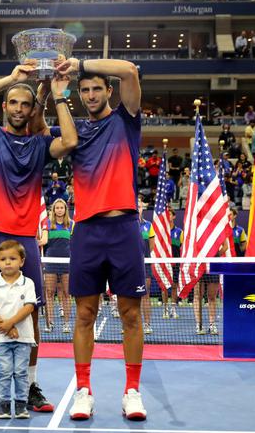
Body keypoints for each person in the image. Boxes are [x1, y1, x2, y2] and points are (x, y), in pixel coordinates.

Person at [0, 62, 76, 418]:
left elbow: (69, 141)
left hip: (24, 240)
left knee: (31, 316)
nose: (20, 109)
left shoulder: (40, 145)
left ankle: (30, 385)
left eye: (25, 104)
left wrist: (57, 95)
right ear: (5, 107)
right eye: (13, 103)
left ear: (31, 109)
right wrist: (13, 80)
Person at [51, 57, 147, 420]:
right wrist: (56, 92)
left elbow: (130, 71)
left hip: (123, 229)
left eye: (97, 89)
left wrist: (79, 63)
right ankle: (84, 391)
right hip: (87, 231)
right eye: (85, 90)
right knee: (84, 314)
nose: (91, 95)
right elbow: (43, 133)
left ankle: (132, 392)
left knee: (130, 314)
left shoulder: (126, 119)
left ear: (109, 91)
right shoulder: (73, 129)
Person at [0, 240, 36, 419]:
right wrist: (3, 325)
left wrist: (9, 324)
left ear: (21, 261)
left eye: (12, 258)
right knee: (4, 371)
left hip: (24, 338)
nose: (7, 262)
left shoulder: (28, 283)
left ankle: (21, 405)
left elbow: (29, 307)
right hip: (1, 339)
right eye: (3, 259)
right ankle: (3, 406)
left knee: (21, 372)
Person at [39, 198, 74, 334]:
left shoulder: (71, 224)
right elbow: (43, 241)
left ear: (65, 209)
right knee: (49, 293)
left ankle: (66, 324)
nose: (59, 210)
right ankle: (50, 323)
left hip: (66, 263)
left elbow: (76, 244)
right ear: (53, 210)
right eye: (57, 208)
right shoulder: (47, 224)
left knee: (66, 294)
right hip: (51, 262)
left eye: (62, 208)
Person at [139, 203, 155, 335]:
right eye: (135, 206)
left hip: (145, 264)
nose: (137, 208)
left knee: (145, 294)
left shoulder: (148, 225)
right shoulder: (127, 225)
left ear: (142, 208)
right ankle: (132, 324)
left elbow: (151, 245)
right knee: (129, 296)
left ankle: (147, 324)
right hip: (129, 265)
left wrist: (143, 256)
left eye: (139, 206)